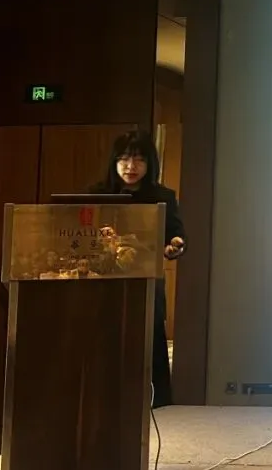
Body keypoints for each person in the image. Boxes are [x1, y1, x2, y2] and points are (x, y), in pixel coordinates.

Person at [89, 130, 186, 408]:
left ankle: (157, 404)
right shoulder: (96, 194)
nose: (131, 167)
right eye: (124, 159)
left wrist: (175, 245)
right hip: (104, 282)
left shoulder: (162, 196)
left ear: (149, 163)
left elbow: (175, 234)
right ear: (114, 162)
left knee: (149, 341)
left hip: (146, 281)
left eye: (139, 160)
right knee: (104, 342)